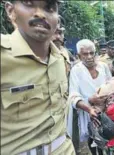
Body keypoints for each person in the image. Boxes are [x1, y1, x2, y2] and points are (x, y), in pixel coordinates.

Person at [1, 0, 75, 154]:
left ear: (57, 19)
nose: (40, 14)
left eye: (49, 7)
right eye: (29, 3)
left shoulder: (60, 58)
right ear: (10, 10)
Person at [67, 39, 112, 154]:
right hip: (88, 114)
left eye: (92, 53)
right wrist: (89, 105)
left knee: (110, 142)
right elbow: (73, 96)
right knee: (94, 142)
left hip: (107, 112)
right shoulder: (76, 70)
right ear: (79, 56)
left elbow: (111, 86)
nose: (89, 56)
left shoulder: (103, 67)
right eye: (85, 54)